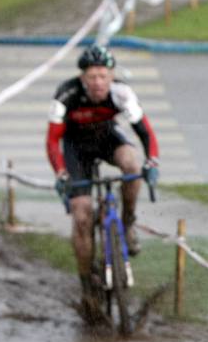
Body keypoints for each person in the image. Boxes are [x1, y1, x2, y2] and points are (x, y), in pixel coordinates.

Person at [46, 45, 160, 318]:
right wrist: (61, 173)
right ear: (82, 78)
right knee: (82, 215)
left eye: (103, 76)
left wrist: (152, 162)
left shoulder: (122, 93)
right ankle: (87, 284)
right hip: (76, 149)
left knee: (132, 166)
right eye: (92, 77)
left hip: (107, 138)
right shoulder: (66, 94)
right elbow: (52, 140)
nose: (98, 82)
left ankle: (128, 222)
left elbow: (146, 133)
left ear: (111, 77)